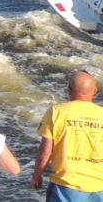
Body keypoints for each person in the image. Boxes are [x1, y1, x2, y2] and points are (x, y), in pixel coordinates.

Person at [32, 69, 103, 201]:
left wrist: (37, 176)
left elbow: (46, 150)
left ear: (69, 90)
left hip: (65, 185)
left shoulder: (56, 112)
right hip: (100, 187)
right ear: (95, 91)